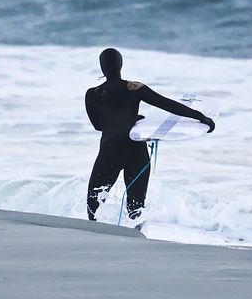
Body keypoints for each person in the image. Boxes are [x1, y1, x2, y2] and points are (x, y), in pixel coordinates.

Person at [85, 48, 215, 221]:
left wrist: (120, 120)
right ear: (121, 65)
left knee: (94, 203)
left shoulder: (92, 94)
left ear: (102, 68)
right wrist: (201, 117)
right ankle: (137, 237)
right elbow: (167, 104)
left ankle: (94, 233)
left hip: (110, 150)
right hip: (135, 148)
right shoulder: (135, 88)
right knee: (136, 206)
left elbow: (98, 126)